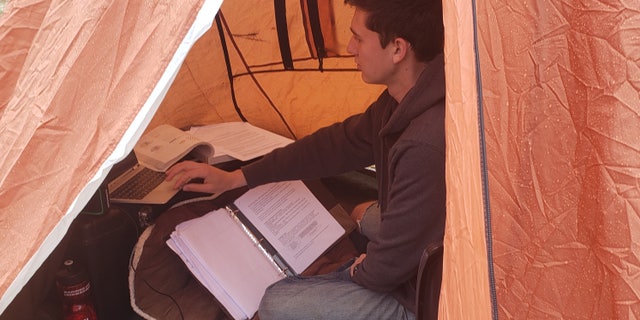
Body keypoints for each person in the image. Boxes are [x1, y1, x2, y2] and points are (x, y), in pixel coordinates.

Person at [166, 0, 445, 318]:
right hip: (431, 235)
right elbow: (332, 146)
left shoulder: (425, 143)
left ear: (397, 49)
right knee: (363, 215)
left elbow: (384, 272)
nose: (351, 48)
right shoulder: (402, 101)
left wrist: (358, 271)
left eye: (358, 38)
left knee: (277, 302)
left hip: (429, 296)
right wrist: (238, 176)